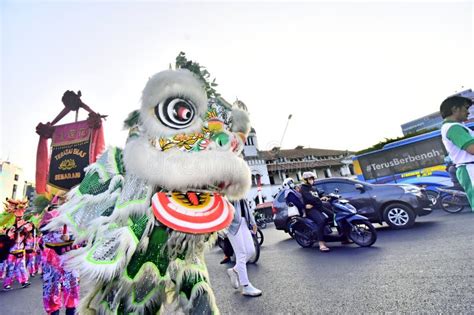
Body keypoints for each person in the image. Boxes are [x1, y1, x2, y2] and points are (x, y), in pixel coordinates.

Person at [440, 95, 474, 211]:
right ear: (455, 109)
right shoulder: (454, 128)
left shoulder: (455, 127)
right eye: (466, 108)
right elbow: (472, 149)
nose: (468, 112)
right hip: (470, 169)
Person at [226, 199, 262, 297]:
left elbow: (245, 205)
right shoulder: (227, 188)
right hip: (232, 224)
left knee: (251, 251)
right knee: (241, 254)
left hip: (244, 222)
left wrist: (253, 222)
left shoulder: (241, 187)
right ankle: (246, 286)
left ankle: (234, 270)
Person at [299, 172, 331, 252]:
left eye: (312, 178)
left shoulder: (313, 188)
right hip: (311, 209)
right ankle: (321, 244)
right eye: (310, 179)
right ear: (306, 180)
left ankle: (344, 237)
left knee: (333, 215)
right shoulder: (303, 188)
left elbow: (318, 196)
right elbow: (310, 199)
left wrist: (325, 197)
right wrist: (319, 200)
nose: (312, 180)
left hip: (318, 207)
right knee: (321, 221)